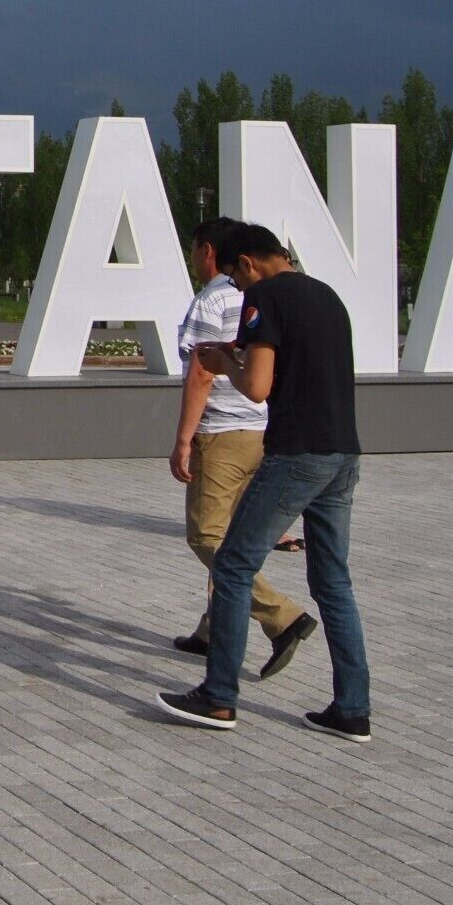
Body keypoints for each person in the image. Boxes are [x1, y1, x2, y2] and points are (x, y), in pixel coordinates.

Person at [155, 222, 373, 742]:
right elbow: (297, 372)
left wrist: (221, 361)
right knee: (333, 582)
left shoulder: (265, 298)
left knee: (232, 565)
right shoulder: (328, 296)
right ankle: (352, 708)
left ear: (249, 263)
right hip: (343, 453)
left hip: (296, 454)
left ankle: (218, 697)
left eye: (236, 276)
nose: (237, 286)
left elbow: (256, 386)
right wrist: (239, 355)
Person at [167, 218, 314, 666]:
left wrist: (184, 440)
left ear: (208, 251)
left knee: (207, 536)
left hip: (222, 433)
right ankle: (213, 629)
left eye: (194, 250)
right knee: (232, 534)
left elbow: (201, 372)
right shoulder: (263, 297)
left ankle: (282, 616)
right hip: (262, 430)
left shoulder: (211, 300)